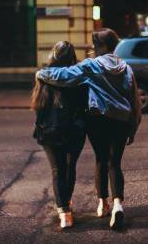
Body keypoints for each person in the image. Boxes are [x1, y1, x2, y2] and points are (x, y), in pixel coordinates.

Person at [36, 28, 142, 230]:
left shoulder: (92, 66)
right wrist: (133, 126)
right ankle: (118, 204)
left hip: (98, 120)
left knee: (102, 160)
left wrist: (42, 73)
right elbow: (134, 99)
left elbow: (64, 75)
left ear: (99, 47)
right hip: (121, 121)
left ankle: (103, 203)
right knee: (115, 163)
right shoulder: (126, 67)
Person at [31, 41, 87, 229]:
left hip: (50, 130)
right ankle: (66, 203)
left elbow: (39, 106)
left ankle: (64, 213)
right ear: (72, 57)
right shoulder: (80, 77)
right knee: (70, 167)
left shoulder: (43, 77)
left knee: (57, 170)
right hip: (75, 129)